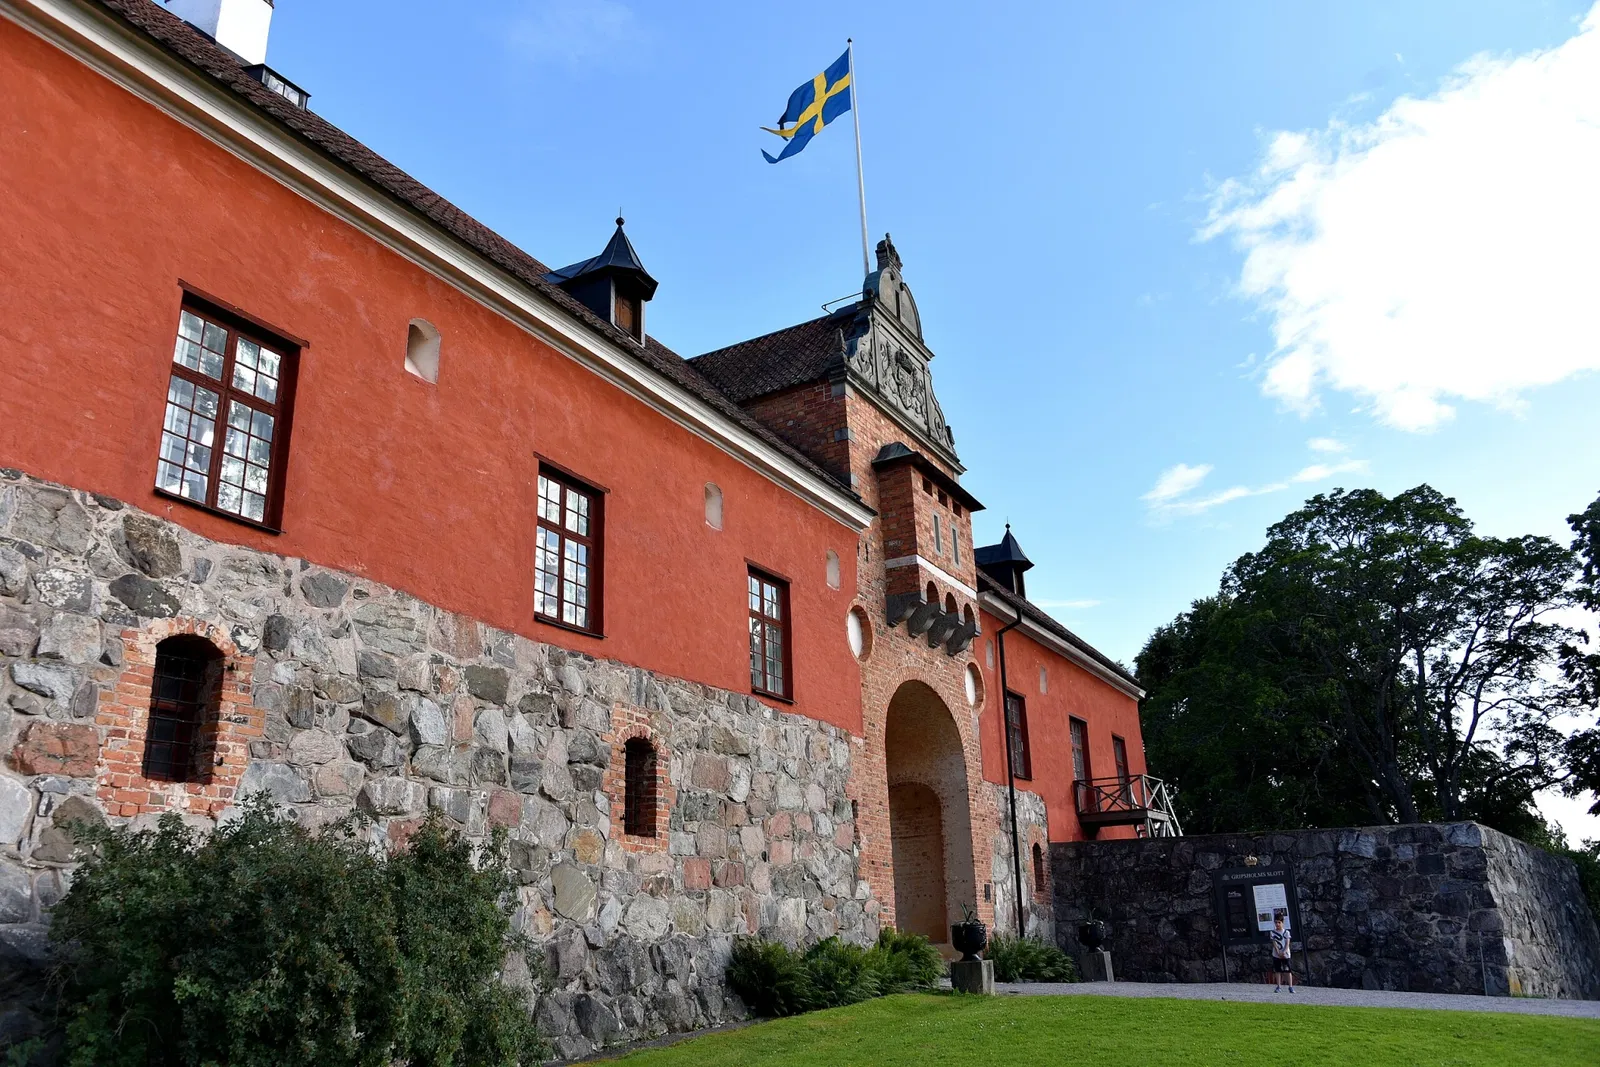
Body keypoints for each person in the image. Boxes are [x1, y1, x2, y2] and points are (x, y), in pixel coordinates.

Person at [1269, 915, 1295, 993]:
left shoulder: (1286, 932)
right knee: (1277, 970)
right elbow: (1274, 943)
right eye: (1276, 923)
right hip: (1276, 954)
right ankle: (1278, 986)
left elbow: (1287, 943)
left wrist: (1284, 952)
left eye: (1279, 923)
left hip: (1285, 954)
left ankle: (1290, 986)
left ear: (1282, 923)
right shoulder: (1272, 932)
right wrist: (1278, 952)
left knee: (1287, 970)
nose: (1277, 924)